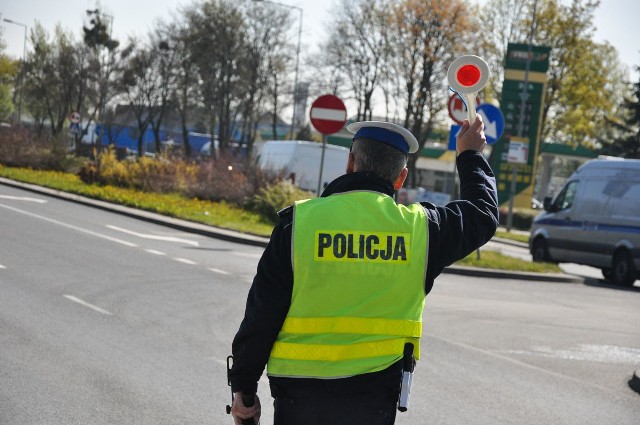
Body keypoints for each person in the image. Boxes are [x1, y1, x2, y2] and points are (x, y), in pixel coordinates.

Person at [229, 115, 498, 425]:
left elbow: (262, 313)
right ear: (401, 178)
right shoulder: (421, 231)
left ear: (350, 162)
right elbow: (482, 213)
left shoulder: (299, 224)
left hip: (298, 396)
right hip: (374, 399)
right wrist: (470, 155)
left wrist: (244, 388)